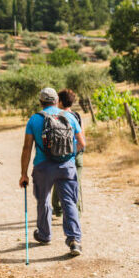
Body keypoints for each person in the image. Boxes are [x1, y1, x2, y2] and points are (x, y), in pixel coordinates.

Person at [19, 88, 86, 256]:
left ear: (41, 102)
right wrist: (70, 156)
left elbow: (27, 148)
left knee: (44, 200)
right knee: (69, 202)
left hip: (43, 167)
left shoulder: (34, 119)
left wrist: (24, 174)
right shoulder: (69, 116)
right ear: (57, 101)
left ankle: (44, 234)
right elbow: (82, 142)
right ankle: (74, 240)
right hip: (67, 166)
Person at [52, 89, 84, 218]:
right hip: (77, 154)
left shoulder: (56, 117)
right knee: (76, 182)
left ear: (59, 101)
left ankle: (58, 208)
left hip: (62, 154)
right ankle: (78, 212)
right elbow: (82, 138)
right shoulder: (77, 116)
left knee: (58, 180)